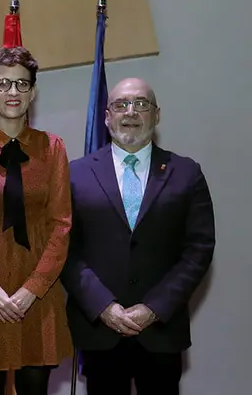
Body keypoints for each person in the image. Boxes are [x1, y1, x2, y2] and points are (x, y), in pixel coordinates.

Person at [60, 78, 215, 395]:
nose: (130, 112)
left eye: (141, 104)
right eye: (121, 104)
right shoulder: (74, 174)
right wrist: (104, 307)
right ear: (107, 116)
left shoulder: (186, 173)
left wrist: (154, 307)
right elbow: (65, 248)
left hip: (161, 332)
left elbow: (198, 250)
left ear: (157, 115)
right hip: (100, 331)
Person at [0, 46, 73, 394]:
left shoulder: (52, 147)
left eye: (22, 84)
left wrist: (32, 290)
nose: (13, 92)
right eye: (4, 83)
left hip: (38, 295)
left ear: (33, 92)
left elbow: (61, 225)